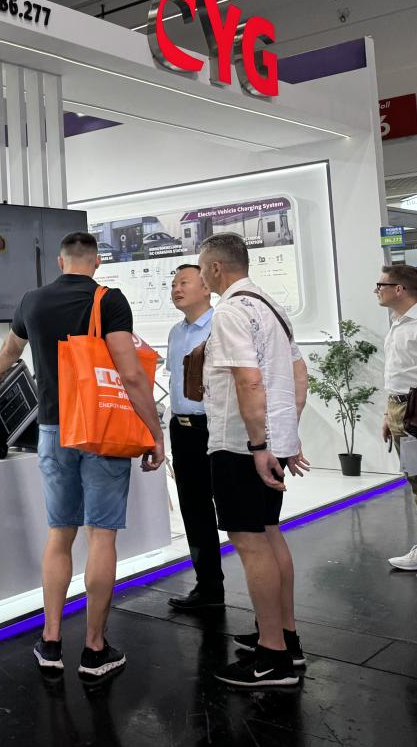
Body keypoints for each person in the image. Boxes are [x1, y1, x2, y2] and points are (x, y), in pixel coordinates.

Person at [0, 231, 165, 681]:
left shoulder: (32, 301)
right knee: (101, 537)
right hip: (101, 429)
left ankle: (50, 641)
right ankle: (95, 649)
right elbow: (130, 374)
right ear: (96, 262)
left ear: (61, 262)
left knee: (59, 534)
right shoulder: (110, 300)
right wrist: (154, 433)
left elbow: (11, 350)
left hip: (52, 429)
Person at [198, 233, 310, 688]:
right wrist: (287, 434)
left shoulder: (230, 310)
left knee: (251, 543)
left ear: (216, 268)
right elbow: (299, 374)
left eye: (201, 268)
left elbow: (248, 381)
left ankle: (272, 657)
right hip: (270, 440)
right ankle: (285, 637)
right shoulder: (271, 306)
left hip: (239, 445)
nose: (200, 276)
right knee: (269, 533)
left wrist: (259, 446)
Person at [164, 263, 223, 609]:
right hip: (182, 430)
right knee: (194, 509)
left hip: (214, 428)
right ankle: (209, 588)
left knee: (231, 510)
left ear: (206, 288)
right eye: (173, 284)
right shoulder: (176, 332)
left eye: (183, 282)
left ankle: (266, 607)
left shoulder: (220, 326)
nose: (176, 289)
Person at [374, 264, 417, 570]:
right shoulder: (398, 322)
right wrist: (389, 414)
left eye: (381, 285)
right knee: (414, 480)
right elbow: (398, 374)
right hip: (400, 409)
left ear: (399, 289)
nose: (377, 290)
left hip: (415, 411)